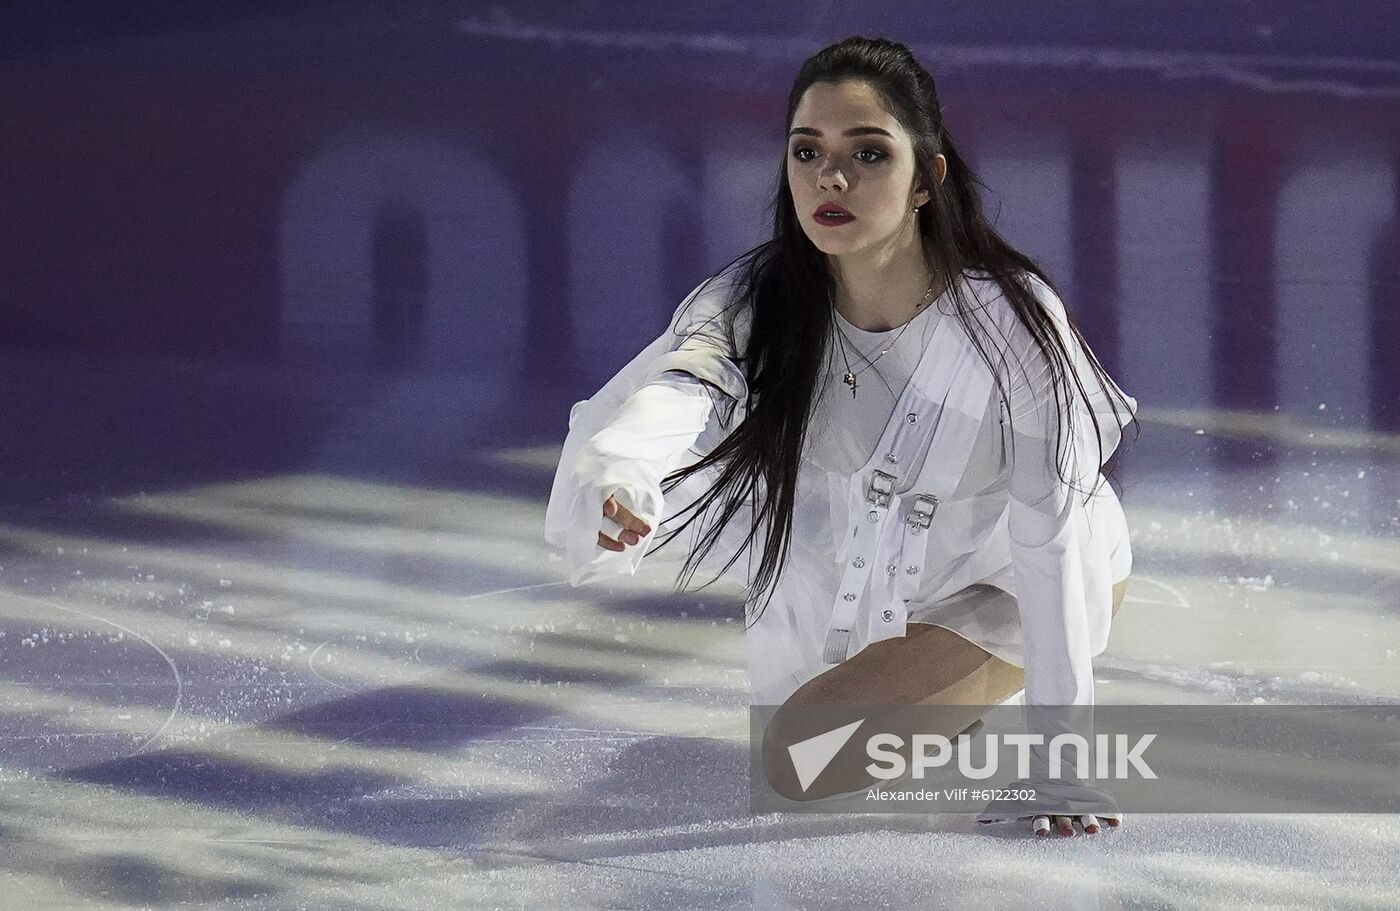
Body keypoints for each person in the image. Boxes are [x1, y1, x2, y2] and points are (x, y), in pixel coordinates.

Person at [545, 35, 1139, 838]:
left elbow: (1051, 531)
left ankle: (965, 682)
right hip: (904, 586)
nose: (830, 177)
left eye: (868, 153)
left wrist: (1062, 755)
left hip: (1032, 573)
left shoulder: (1008, 321)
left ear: (928, 178)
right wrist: (623, 471)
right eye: (807, 151)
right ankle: (933, 692)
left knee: (803, 756)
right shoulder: (759, 300)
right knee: (802, 743)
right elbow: (677, 387)